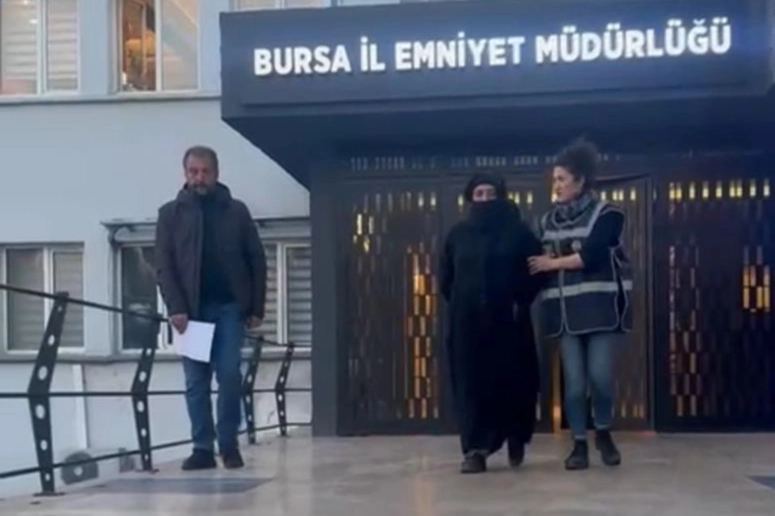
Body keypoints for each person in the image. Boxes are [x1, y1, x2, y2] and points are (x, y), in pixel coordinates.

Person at [155, 145, 267, 471]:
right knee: (196, 382)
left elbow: (256, 259)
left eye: (205, 172)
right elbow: (164, 265)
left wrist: (256, 307)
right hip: (190, 312)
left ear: (216, 173)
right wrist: (175, 307)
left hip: (229, 307)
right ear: (185, 173)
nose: (199, 178)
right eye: (194, 172)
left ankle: (229, 444)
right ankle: (202, 448)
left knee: (229, 374)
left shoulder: (237, 211)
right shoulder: (170, 215)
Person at [528, 138, 632, 471]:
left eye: (561, 179)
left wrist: (552, 263)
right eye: (554, 179)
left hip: (601, 310)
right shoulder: (545, 222)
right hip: (564, 314)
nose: (556, 185)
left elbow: (592, 255)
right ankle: (578, 444)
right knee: (573, 385)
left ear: (580, 180)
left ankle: (603, 431)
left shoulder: (609, 214)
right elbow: (532, 261)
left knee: (600, 377)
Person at [439, 173, 545, 474]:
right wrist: (464, 301)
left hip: (509, 321)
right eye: (479, 194)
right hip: (467, 324)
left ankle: (515, 436)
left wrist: (519, 299)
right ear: (470, 198)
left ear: (500, 196)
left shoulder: (519, 233)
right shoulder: (458, 234)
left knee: (513, 380)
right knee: (471, 384)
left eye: (490, 193)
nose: (485, 199)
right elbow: (446, 278)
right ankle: (475, 449)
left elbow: (538, 270)